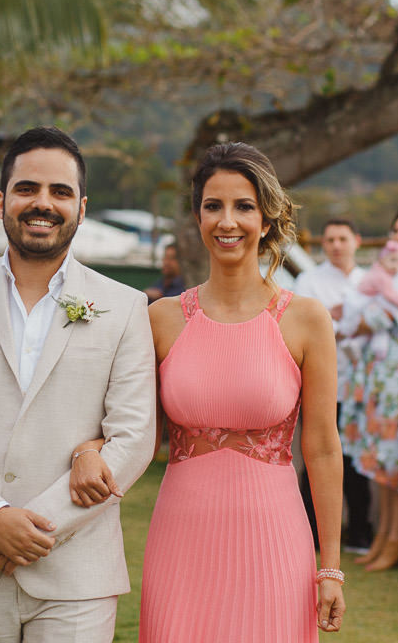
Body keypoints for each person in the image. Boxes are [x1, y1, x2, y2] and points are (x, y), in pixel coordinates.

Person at [0, 127, 156, 642]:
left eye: (60, 191)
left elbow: (133, 438)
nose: (43, 203)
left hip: (77, 572)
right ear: (2, 202)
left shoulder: (124, 306)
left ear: (81, 208)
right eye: (27, 189)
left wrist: (33, 527)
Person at [111, 141, 345, 639]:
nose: (227, 221)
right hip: (181, 539)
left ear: (267, 217)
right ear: (197, 216)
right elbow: (131, 435)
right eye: (213, 206)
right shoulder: (161, 320)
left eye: (244, 206)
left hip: (275, 539)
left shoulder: (306, 320)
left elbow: (324, 448)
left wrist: (330, 567)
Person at [337, 208, 398, 572]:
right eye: (395, 231)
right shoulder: (394, 273)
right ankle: (384, 535)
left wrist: (349, 319)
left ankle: (396, 538)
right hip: (382, 378)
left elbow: (375, 318)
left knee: (397, 458)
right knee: (383, 461)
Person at [294, 218, 371, 552]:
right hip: (322, 386)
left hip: (363, 387)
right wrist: (340, 321)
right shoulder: (309, 280)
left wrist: (341, 319)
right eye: (330, 240)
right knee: (316, 457)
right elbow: (305, 328)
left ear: (357, 240)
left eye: (343, 238)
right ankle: (309, 531)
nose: (337, 245)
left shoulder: (368, 280)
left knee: (357, 462)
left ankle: (360, 531)